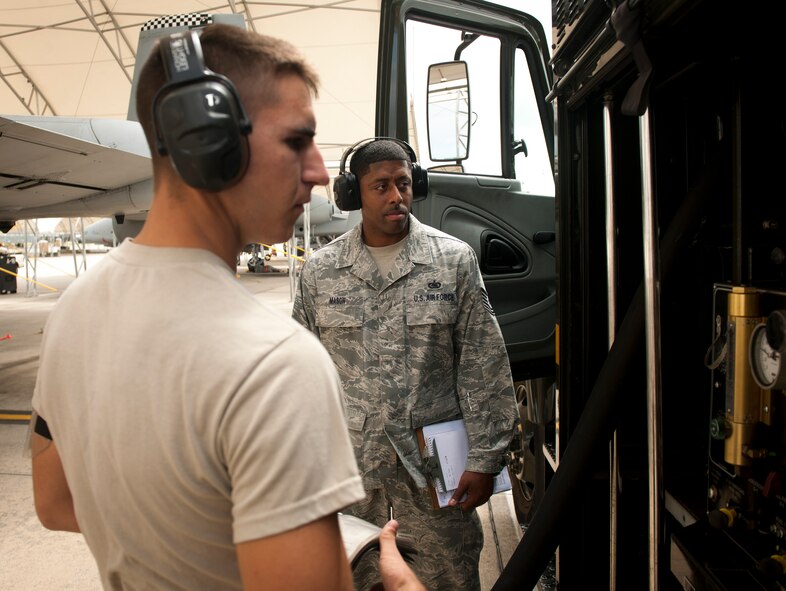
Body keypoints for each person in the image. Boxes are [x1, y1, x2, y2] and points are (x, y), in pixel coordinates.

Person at [29, 24, 388, 590]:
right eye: (297, 142)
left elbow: (54, 503)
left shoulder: (72, 312)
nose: (320, 172)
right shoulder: (276, 364)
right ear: (207, 138)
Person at [293, 138, 518, 590]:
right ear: (354, 194)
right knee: (351, 579)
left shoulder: (452, 260)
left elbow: (482, 362)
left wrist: (485, 458)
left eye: (404, 183)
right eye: (381, 186)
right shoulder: (322, 271)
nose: (396, 196)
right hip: (352, 472)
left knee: (448, 580)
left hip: (435, 473)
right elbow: (299, 372)